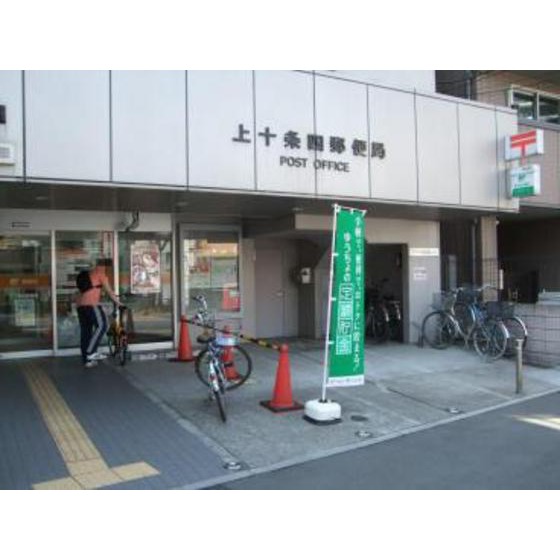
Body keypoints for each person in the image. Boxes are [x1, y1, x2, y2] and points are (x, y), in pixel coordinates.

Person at [76, 257, 121, 368]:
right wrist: (119, 303)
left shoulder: (90, 273)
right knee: (102, 326)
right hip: (91, 305)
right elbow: (109, 291)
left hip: (81, 306)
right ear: (105, 266)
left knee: (86, 332)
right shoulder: (100, 274)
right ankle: (91, 352)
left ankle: (87, 360)